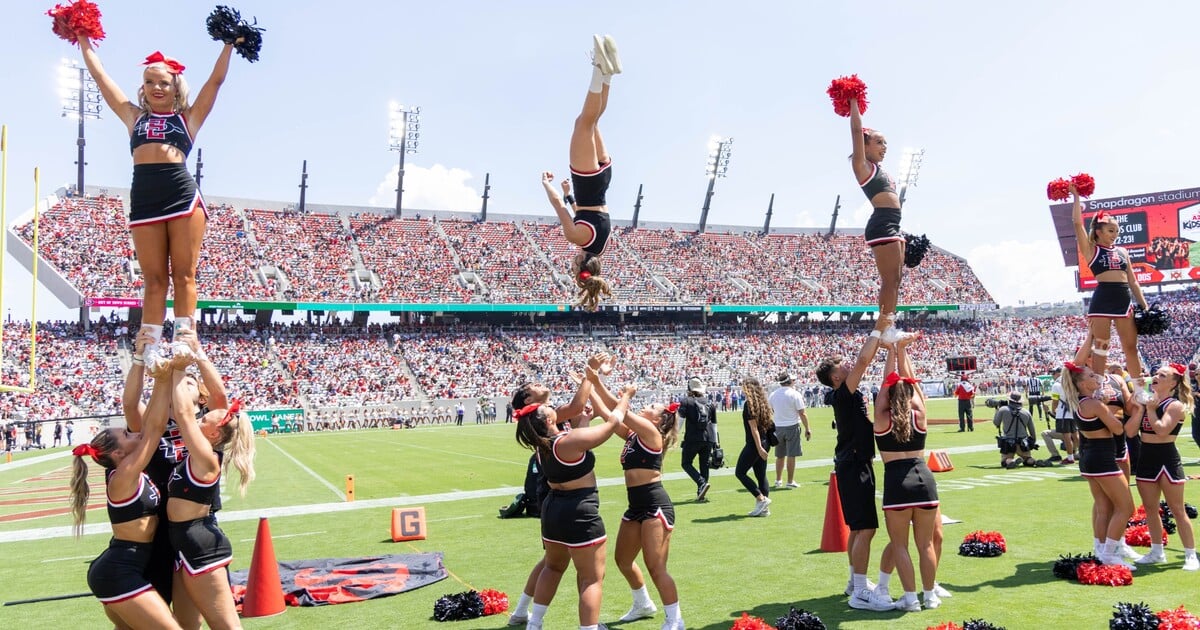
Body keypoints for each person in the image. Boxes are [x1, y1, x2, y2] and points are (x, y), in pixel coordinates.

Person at [76, 33, 243, 374]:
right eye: (150, 82)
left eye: (164, 83)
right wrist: (82, 37)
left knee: (183, 274)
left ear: (176, 87)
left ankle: (184, 338)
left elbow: (215, 82)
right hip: (145, 200)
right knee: (153, 280)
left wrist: (228, 45)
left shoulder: (188, 119)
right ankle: (149, 345)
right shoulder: (133, 117)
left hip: (181, 197)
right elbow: (101, 76)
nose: (156, 88)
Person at [69, 355, 178, 629]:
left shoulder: (129, 472)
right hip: (120, 570)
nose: (134, 434)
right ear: (118, 454)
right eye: (128, 436)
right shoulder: (124, 474)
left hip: (127, 564)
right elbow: (154, 429)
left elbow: (146, 424)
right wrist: (163, 379)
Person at [515, 377, 633, 630]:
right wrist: (626, 397)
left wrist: (585, 420)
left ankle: (534, 624)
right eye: (550, 410)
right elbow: (613, 423)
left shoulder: (544, 446)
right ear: (549, 421)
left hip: (553, 510)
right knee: (592, 578)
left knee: (552, 567)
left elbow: (577, 440)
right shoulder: (567, 441)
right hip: (580, 511)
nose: (553, 409)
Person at [167, 358, 256, 630]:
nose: (200, 418)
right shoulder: (201, 452)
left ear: (215, 434)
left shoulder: (207, 456)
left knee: (225, 626)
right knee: (186, 623)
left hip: (201, 544)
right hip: (182, 541)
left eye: (204, 419)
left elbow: (183, 414)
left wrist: (177, 369)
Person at [540, 35, 622, 311]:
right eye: (573, 267)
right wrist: (547, 185)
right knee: (583, 123)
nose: (570, 264)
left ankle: (607, 74)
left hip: (603, 179)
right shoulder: (575, 238)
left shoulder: (600, 245)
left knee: (594, 122)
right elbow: (558, 208)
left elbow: (585, 215)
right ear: (579, 265)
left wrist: (568, 196)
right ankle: (598, 68)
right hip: (587, 181)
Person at [817, 328, 896, 610]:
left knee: (857, 528)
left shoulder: (843, 393)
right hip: (854, 462)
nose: (848, 364)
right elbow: (863, 361)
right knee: (866, 529)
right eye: (841, 365)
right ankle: (861, 591)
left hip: (852, 462)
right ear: (836, 378)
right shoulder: (843, 393)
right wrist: (879, 328)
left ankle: (855, 581)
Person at [603, 381, 684, 629]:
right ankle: (643, 604)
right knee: (623, 560)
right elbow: (611, 414)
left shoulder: (651, 433)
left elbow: (621, 410)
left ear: (657, 420)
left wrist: (623, 395)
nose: (645, 407)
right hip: (635, 505)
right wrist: (591, 384)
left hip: (654, 504)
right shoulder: (633, 435)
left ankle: (675, 620)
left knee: (656, 566)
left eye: (650, 407)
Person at [873, 335, 941, 612]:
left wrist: (891, 351)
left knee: (900, 545)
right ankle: (930, 596)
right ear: (911, 395)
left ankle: (911, 599)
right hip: (924, 480)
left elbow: (885, 384)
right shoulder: (920, 415)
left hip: (897, 484)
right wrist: (901, 351)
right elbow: (913, 385)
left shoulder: (881, 418)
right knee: (926, 544)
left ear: (888, 396)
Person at [1070, 183, 1150, 401]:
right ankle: (1098, 388)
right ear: (1099, 231)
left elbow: (1133, 281)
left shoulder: (1123, 251)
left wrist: (1144, 306)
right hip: (1103, 299)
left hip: (1124, 299)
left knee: (1131, 347)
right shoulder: (1091, 249)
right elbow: (1077, 223)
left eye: (1116, 231)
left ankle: (1140, 390)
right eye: (1111, 231)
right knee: (1101, 347)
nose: (1115, 234)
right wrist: (1076, 197)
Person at [1060, 359, 1140, 569]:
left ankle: (1101, 550)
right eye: (1091, 376)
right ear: (1082, 383)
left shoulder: (1078, 402)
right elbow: (1118, 429)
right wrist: (1110, 407)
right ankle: (1111, 554)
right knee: (1126, 508)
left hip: (1089, 458)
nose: (1096, 377)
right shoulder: (1094, 404)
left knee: (1103, 507)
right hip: (1103, 459)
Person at [848, 97, 907, 341]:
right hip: (882, 224)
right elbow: (855, 130)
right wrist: (853, 101)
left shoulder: (881, 170)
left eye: (886, 143)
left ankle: (889, 324)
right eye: (879, 142)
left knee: (896, 280)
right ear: (865, 145)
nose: (885, 147)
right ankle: (884, 328)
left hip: (893, 225)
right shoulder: (862, 165)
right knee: (889, 280)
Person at [1133, 363, 1198, 570]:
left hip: (1167, 459)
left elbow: (1161, 430)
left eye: (1162, 375)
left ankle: (1190, 555)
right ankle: (1157, 551)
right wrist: (1139, 404)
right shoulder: (1148, 401)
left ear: (1173, 383)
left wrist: (1150, 410)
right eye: (1156, 374)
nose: (1156, 377)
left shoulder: (1175, 405)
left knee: (1177, 509)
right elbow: (1132, 431)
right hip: (1146, 457)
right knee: (1151, 509)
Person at [735, 377, 774, 517]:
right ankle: (764, 509)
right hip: (765, 442)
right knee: (761, 475)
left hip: (755, 444)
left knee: (740, 472)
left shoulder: (749, 405)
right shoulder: (764, 403)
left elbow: (754, 429)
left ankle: (761, 499)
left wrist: (759, 448)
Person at [768, 372, 811, 488]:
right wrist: (807, 428)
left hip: (778, 427)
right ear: (789, 381)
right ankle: (790, 481)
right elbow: (802, 413)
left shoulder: (773, 394)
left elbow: (770, 410)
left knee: (780, 455)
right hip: (792, 426)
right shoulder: (795, 394)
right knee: (791, 455)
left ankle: (778, 480)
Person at [679, 377, 718, 501]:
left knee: (686, 463)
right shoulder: (710, 403)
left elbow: (680, 422)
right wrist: (716, 443)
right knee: (704, 465)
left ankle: (701, 483)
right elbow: (714, 425)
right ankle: (701, 493)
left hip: (692, 437)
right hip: (708, 439)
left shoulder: (686, 401)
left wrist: (673, 435)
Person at [1043, 366, 1078, 464]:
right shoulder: (1072, 381)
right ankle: (1082, 453)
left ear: (1059, 373)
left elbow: (1055, 400)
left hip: (1063, 413)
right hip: (1073, 411)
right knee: (1075, 435)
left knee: (1067, 437)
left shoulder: (1057, 384)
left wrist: (1053, 410)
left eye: (1054, 373)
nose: (1052, 375)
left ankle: (1070, 457)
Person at [994, 392, 1037, 469]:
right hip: (1023, 443)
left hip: (1008, 443)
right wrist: (1032, 442)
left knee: (1005, 461)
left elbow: (996, 422)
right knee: (1027, 458)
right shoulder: (1026, 412)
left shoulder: (1003, 410)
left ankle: (1012, 461)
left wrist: (997, 410)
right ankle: (1033, 461)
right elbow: (1032, 431)